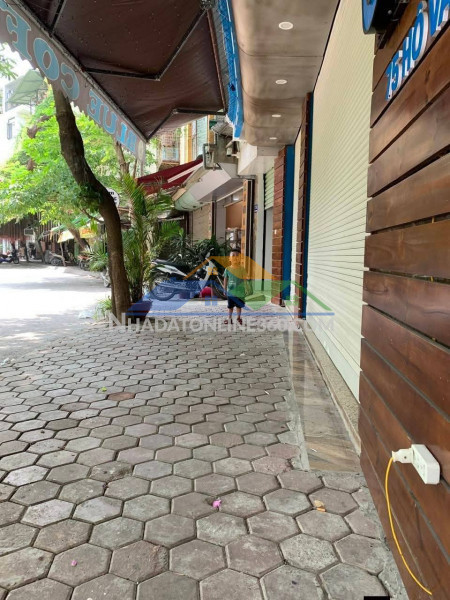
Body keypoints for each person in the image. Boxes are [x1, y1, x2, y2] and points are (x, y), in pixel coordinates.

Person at [223, 250, 249, 325]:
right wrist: (224, 289)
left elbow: (245, 279)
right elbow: (225, 279)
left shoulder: (242, 269)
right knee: (230, 306)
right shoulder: (227, 269)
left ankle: (238, 318)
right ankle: (229, 318)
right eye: (233, 255)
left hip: (240, 292)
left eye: (237, 255)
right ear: (229, 258)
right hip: (230, 291)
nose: (235, 257)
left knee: (238, 306)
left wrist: (246, 288)